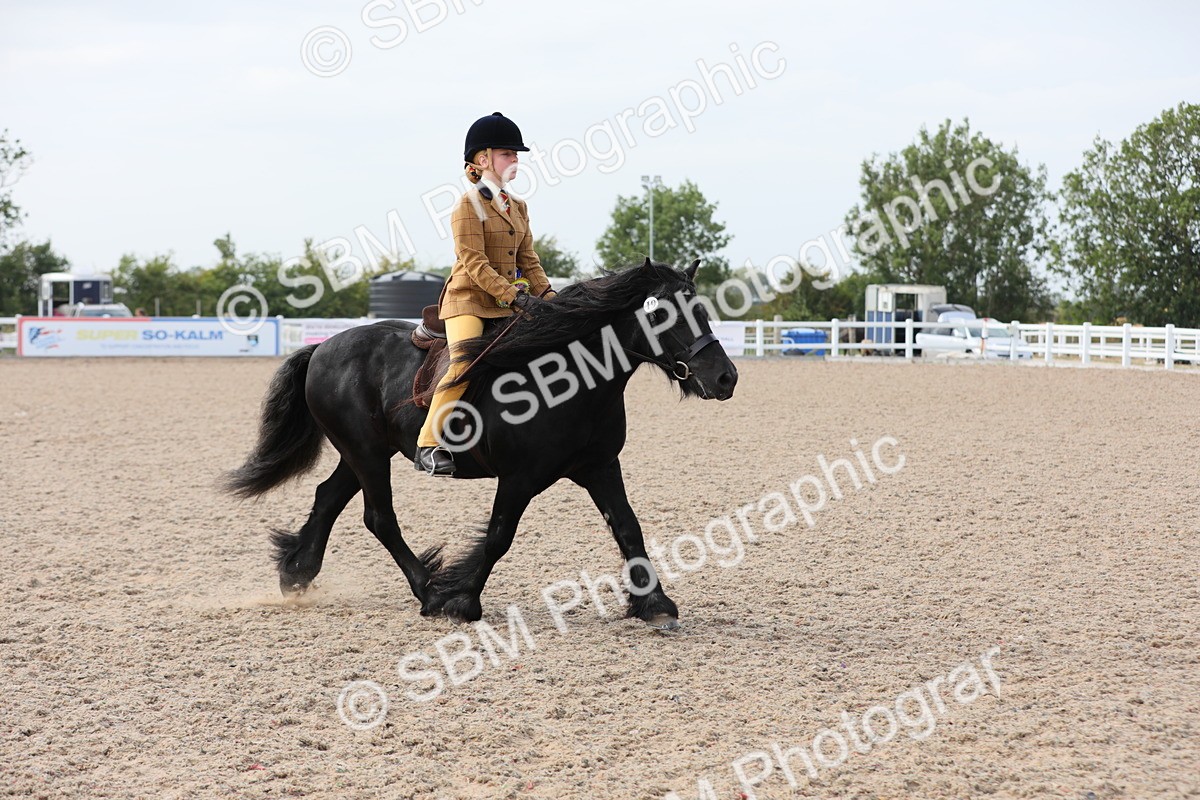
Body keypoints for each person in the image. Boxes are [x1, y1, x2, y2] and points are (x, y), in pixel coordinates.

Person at [414, 112, 557, 476]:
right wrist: (515, 296)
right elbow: (474, 262)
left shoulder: (519, 207)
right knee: (463, 365)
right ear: (483, 160)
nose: (516, 160)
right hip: (469, 300)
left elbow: (529, 260)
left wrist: (550, 297)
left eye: (516, 154)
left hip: (509, 301)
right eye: (508, 153)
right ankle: (429, 445)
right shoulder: (467, 205)